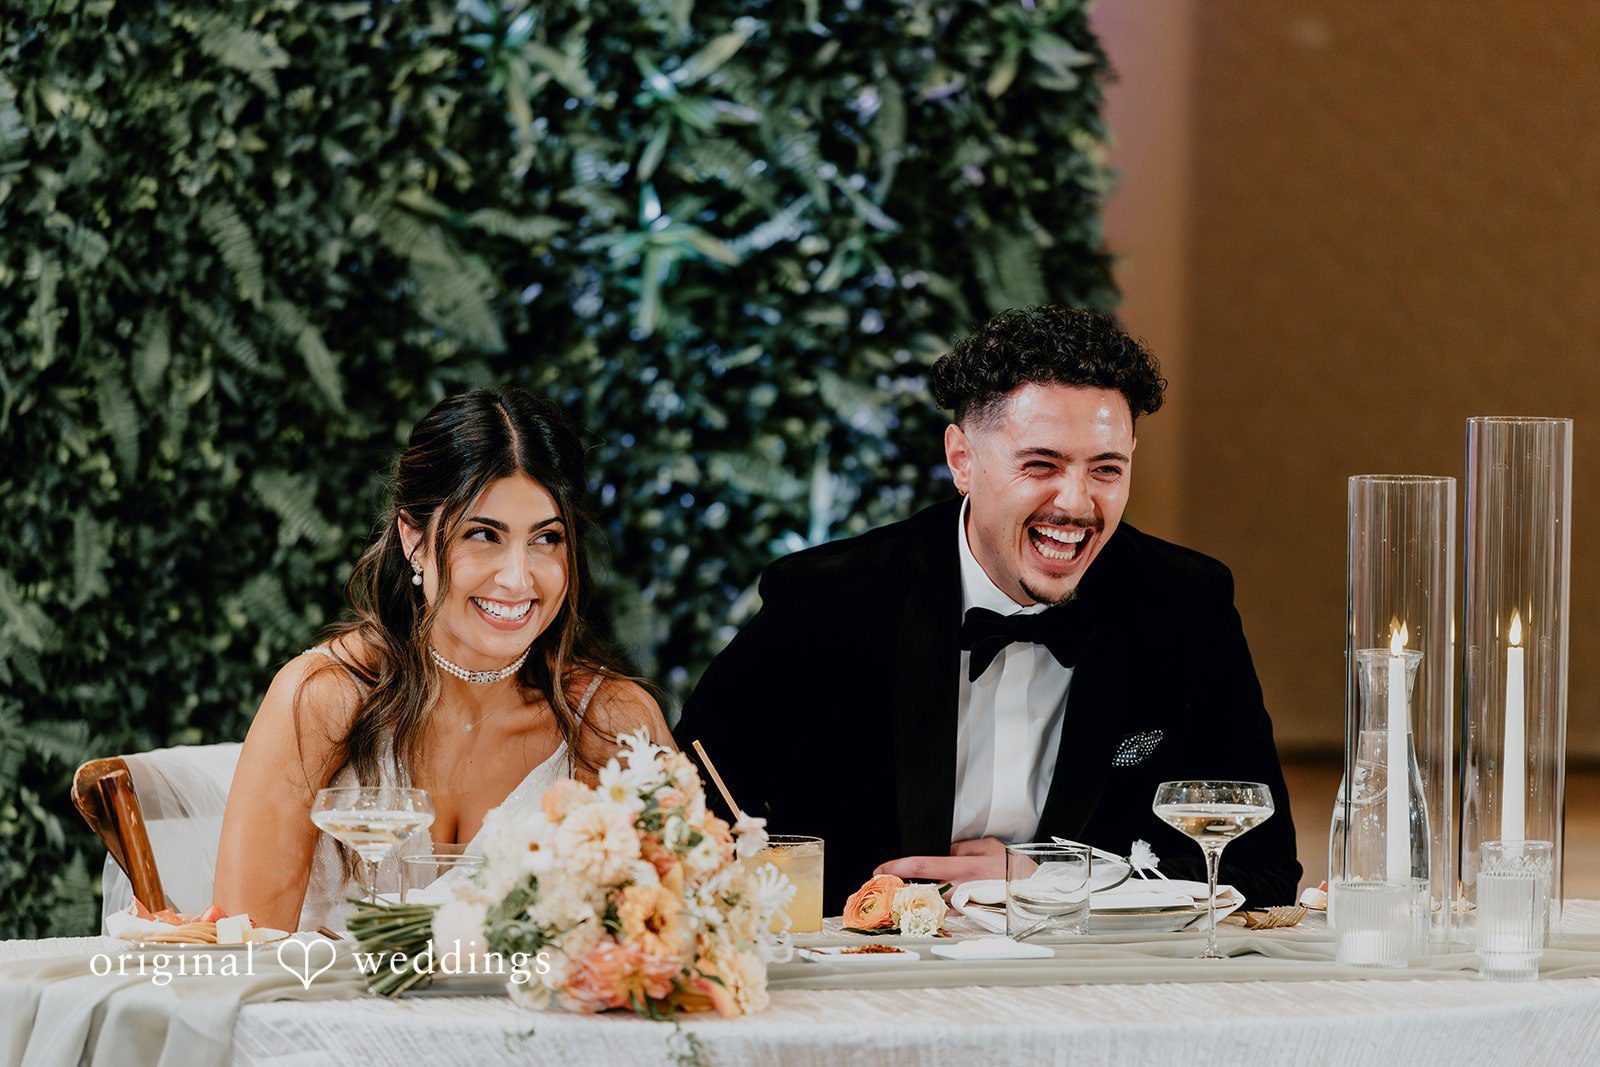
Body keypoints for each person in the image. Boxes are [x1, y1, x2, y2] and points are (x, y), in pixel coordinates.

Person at [675, 306, 1300, 910]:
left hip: (1086, 988)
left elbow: (1263, 868)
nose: (1077, 504)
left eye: (1107, 469)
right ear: (962, 460)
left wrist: (1056, 879)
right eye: (1040, 465)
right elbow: (686, 820)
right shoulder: (827, 603)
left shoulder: (1186, 606)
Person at [214, 387, 671, 930]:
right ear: (414, 538)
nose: (518, 579)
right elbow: (244, 950)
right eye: (483, 534)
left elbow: (675, 937)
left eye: (546, 539)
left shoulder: (610, 723)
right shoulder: (323, 697)